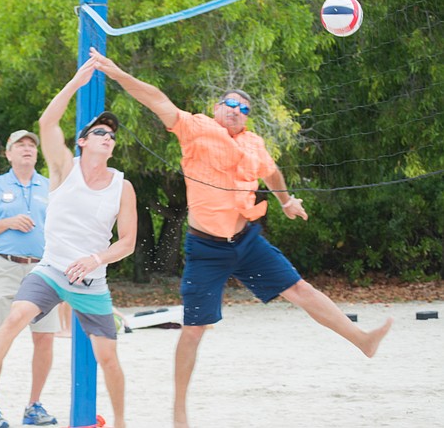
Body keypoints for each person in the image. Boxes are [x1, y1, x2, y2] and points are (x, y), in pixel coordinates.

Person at [89, 48, 394, 428]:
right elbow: (156, 99)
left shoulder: (254, 143)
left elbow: (273, 173)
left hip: (246, 241)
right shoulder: (195, 127)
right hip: (205, 247)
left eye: (244, 108)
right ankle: (179, 413)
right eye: (230, 104)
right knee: (193, 330)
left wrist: (285, 202)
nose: (236, 110)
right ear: (217, 108)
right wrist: (117, 73)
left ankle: (362, 340)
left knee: (300, 289)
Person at [0, 56, 137, 428]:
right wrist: (75, 81)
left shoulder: (123, 186)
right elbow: (47, 123)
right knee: (14, 318)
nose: (108, 137)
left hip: (90, 280)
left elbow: (128, 243)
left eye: (112, 135)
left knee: (108, 358)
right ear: (82, 141)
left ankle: (120, 421)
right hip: (51, 270)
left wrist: (95, 259)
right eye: (99, 132)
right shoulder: (64, 168)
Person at [0, 130, 58, 427]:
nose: (27, 148)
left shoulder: (50, 186)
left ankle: (34, 406)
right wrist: (8, 222)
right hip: (3, 267)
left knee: (45, 337)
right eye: (20, 145)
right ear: (8, 154)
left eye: (31, 145)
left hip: (43, 269)